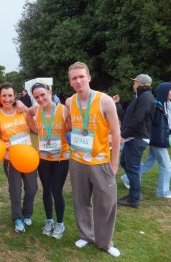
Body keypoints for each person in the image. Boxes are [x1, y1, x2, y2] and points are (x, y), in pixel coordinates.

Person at [65, 62, 121, 257]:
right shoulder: (70, 102)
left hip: (101, 161)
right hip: (78, 161)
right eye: (74, 78)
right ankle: (86, 235)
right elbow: (69, 125)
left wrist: (114, 164)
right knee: (81, 201)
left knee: (106, 202)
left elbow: (116, 132)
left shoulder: (105, 101)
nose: (78, 81)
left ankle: (105, 242)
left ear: (89, 77)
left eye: (81, 76)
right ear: (70, 82)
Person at [0, 83, 38, 233]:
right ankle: (17, 218)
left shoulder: (22, 111)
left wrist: (26, 108)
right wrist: (5, 150)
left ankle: (27, 213)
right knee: (15, 190)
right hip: (11, 159)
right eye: (4, 96)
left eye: (10, 95)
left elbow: (35, 129)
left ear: (14, 96)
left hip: (29, 156)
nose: (7, 99)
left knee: (32, 188)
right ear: (0, 97)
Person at [28, 82, 70, 239]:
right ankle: (49, 221)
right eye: (36, 97)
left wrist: (64, 131)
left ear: (49, 92)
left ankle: (60, 224)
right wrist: (35, 129)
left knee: (57, 191)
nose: (40, 99)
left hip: (61, 158)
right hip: (43, 157)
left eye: (42, 95)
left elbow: (71, 127)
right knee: (46, 190)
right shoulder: (35, 110)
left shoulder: (63, 109)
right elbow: (27, 114)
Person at [120, 82, 171, 198]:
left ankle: (127, 178)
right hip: (157, 140)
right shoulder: (157, 105)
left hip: (160, 139)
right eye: (170, 90)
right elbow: (150, 124)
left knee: (149, 163)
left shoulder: (167, 105)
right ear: (164, 91)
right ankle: (163, 192)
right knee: (167, 165)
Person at [118, 74, 155, 208]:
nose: (133, 85)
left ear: (139, 84)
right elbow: (128, 117)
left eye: (134, 83)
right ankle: (134, 193)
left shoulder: (146, 97)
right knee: (124, 163)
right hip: (133, 137)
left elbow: (138, 119)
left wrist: (123, 134)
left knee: (133, 169)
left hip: (137, 138)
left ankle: (134, 199)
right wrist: (117, 104)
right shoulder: (140, 97)